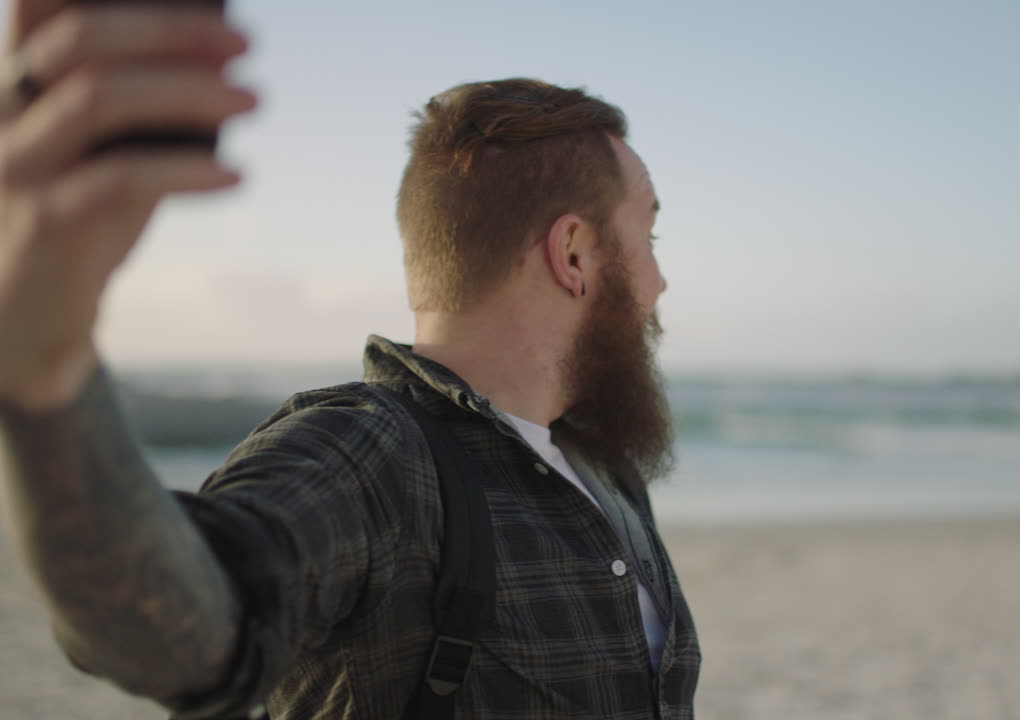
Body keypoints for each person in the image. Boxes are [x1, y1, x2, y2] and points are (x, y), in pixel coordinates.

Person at [0, 2, 700, 718]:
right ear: (574, 254)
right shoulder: (374, 454)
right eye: (648, 238)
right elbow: (172, 633)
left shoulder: (601, 467)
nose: (659, 282)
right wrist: (46, 371)